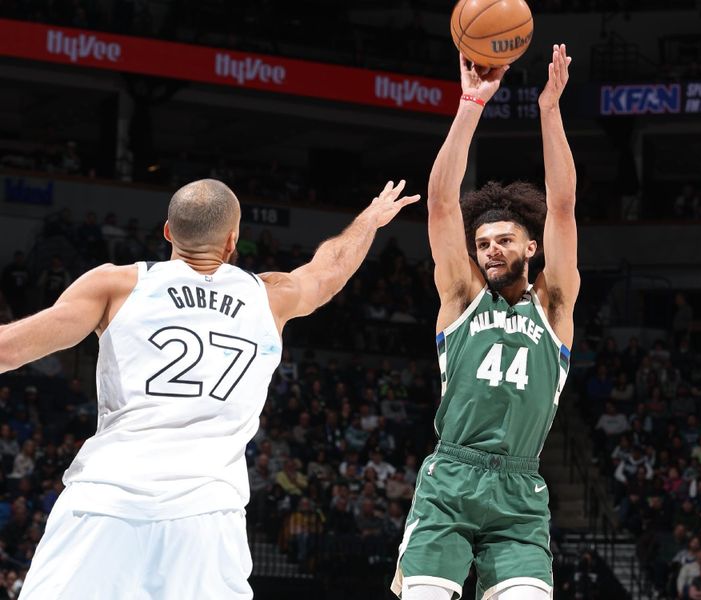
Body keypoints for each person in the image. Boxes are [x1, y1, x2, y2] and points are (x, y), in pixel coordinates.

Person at [0, 177, 419, 599]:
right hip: (206, 517)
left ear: (167, 231)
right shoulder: (269, 296)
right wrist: (371, 217)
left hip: (105, 501)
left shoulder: (115, 285)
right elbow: (329, 270)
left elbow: (8, 352)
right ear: (233, 238)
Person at [392, 45, 579, 600]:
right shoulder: (461, 296)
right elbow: (442, 204)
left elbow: (564, 206)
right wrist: (471, 102)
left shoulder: (555, 305)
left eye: (502, 241)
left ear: (530, 245)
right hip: (450, 480)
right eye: (482, 244)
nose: (490, 250)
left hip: (520, 491)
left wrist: (550, 108)